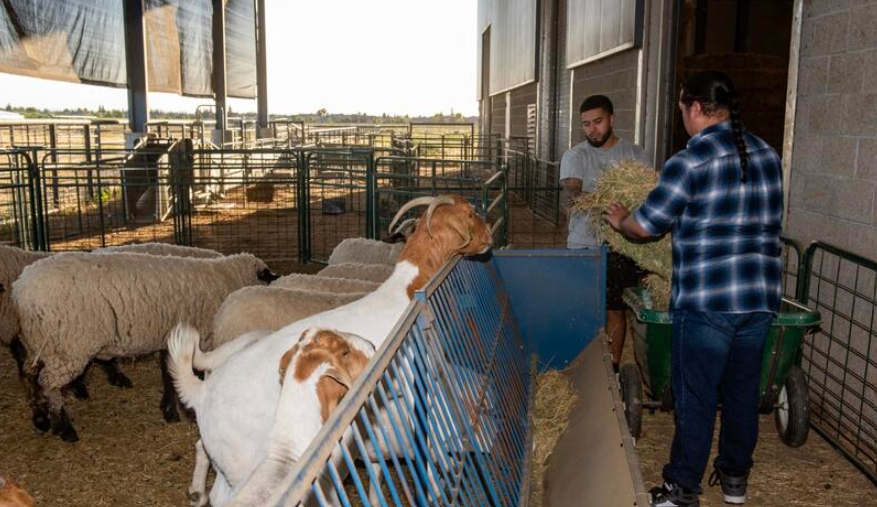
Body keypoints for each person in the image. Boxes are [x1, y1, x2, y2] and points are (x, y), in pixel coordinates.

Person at [603, 71, 783, 507]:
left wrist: (620, 219)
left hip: (706, 302)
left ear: (696, 107)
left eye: (682, 107)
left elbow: (647, 226)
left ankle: (682, 489)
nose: (682, 115)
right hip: (758, 299)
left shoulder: (692, 159)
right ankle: (735, 480)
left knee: (696, 398)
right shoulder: (767, 153)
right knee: (742, 395)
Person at [560, 94, 649, 372]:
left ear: (611, 119)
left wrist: (601, 198)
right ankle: (584, 369)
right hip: (583, 245)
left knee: (615, 309)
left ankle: (611, 367)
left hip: (622, 246)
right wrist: (617, 200)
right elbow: (573, 196)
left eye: (597, 122)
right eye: (586, 124)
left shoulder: (634, 154)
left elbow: (647, 196)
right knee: (582, 310)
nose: (592, 129)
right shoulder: (575, 155)